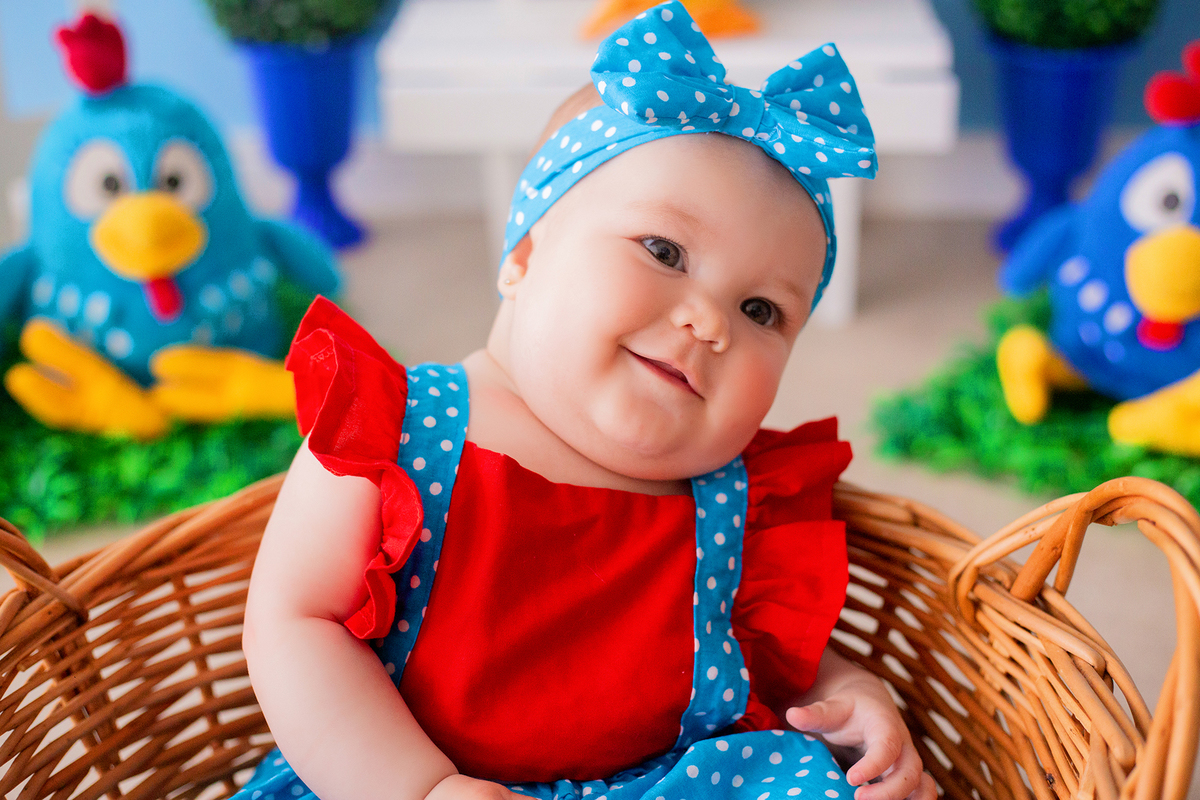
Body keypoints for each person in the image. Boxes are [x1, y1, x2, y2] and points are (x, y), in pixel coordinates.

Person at [236, 4, 935, 800]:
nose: (710, 324)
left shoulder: (740, 500)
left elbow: (770, 658)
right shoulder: (401, 432)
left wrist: (850, 692)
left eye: (761, 310)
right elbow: (294, 622)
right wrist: (419, 788)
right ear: (524, 254)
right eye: (664, 251)